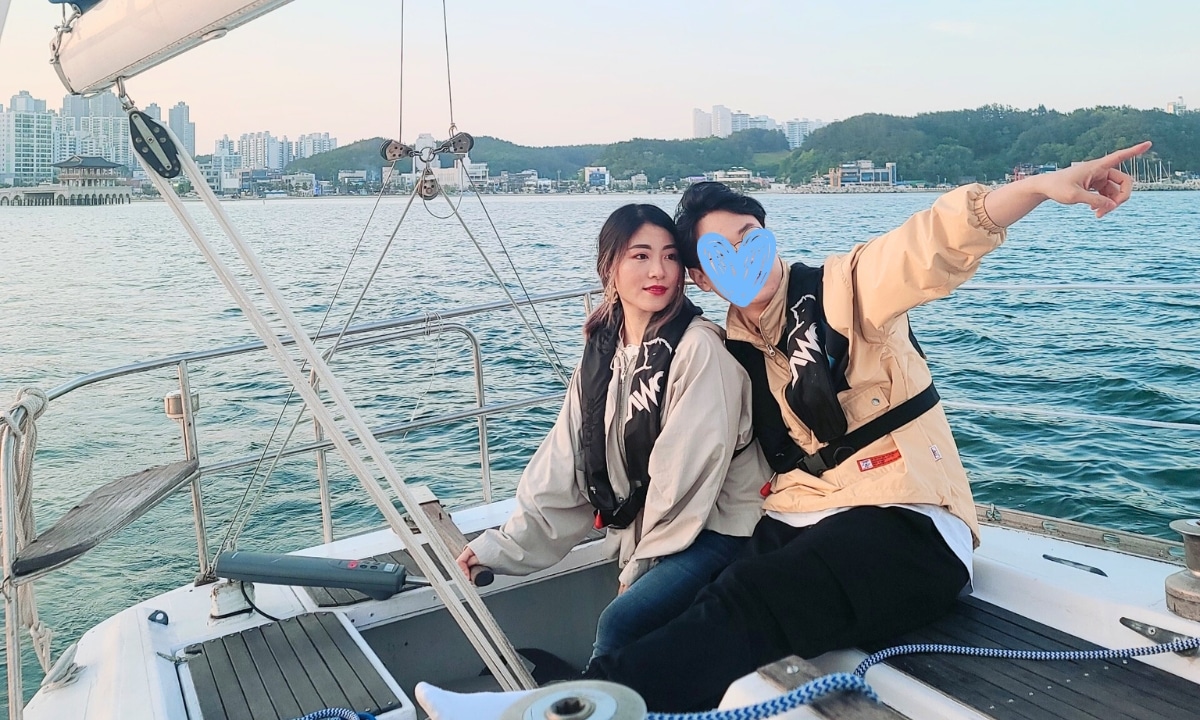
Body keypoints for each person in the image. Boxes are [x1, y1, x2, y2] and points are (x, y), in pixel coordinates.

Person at [570, 141, 1152, 712]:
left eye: (752, 238)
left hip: (905, 522)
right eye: (720, 252)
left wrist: (1033, 189)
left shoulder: (842, 290)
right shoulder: (731, 349)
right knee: (638, 616)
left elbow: (926, 246)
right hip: (796, 516)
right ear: (700, 276)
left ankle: (585, 707)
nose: (744, 257)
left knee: (749, 597)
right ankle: (583, 698)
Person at [455, 203, 771, 665]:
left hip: (721, 527)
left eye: (669, 256)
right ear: (609, 266)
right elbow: (567, 461)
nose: (658, 271)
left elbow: (684, 476)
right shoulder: (605, 348)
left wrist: (645, 560)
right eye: (639, 256)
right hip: (659, 527)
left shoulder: (699, 348)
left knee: (620, 622)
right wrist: (502, 546)